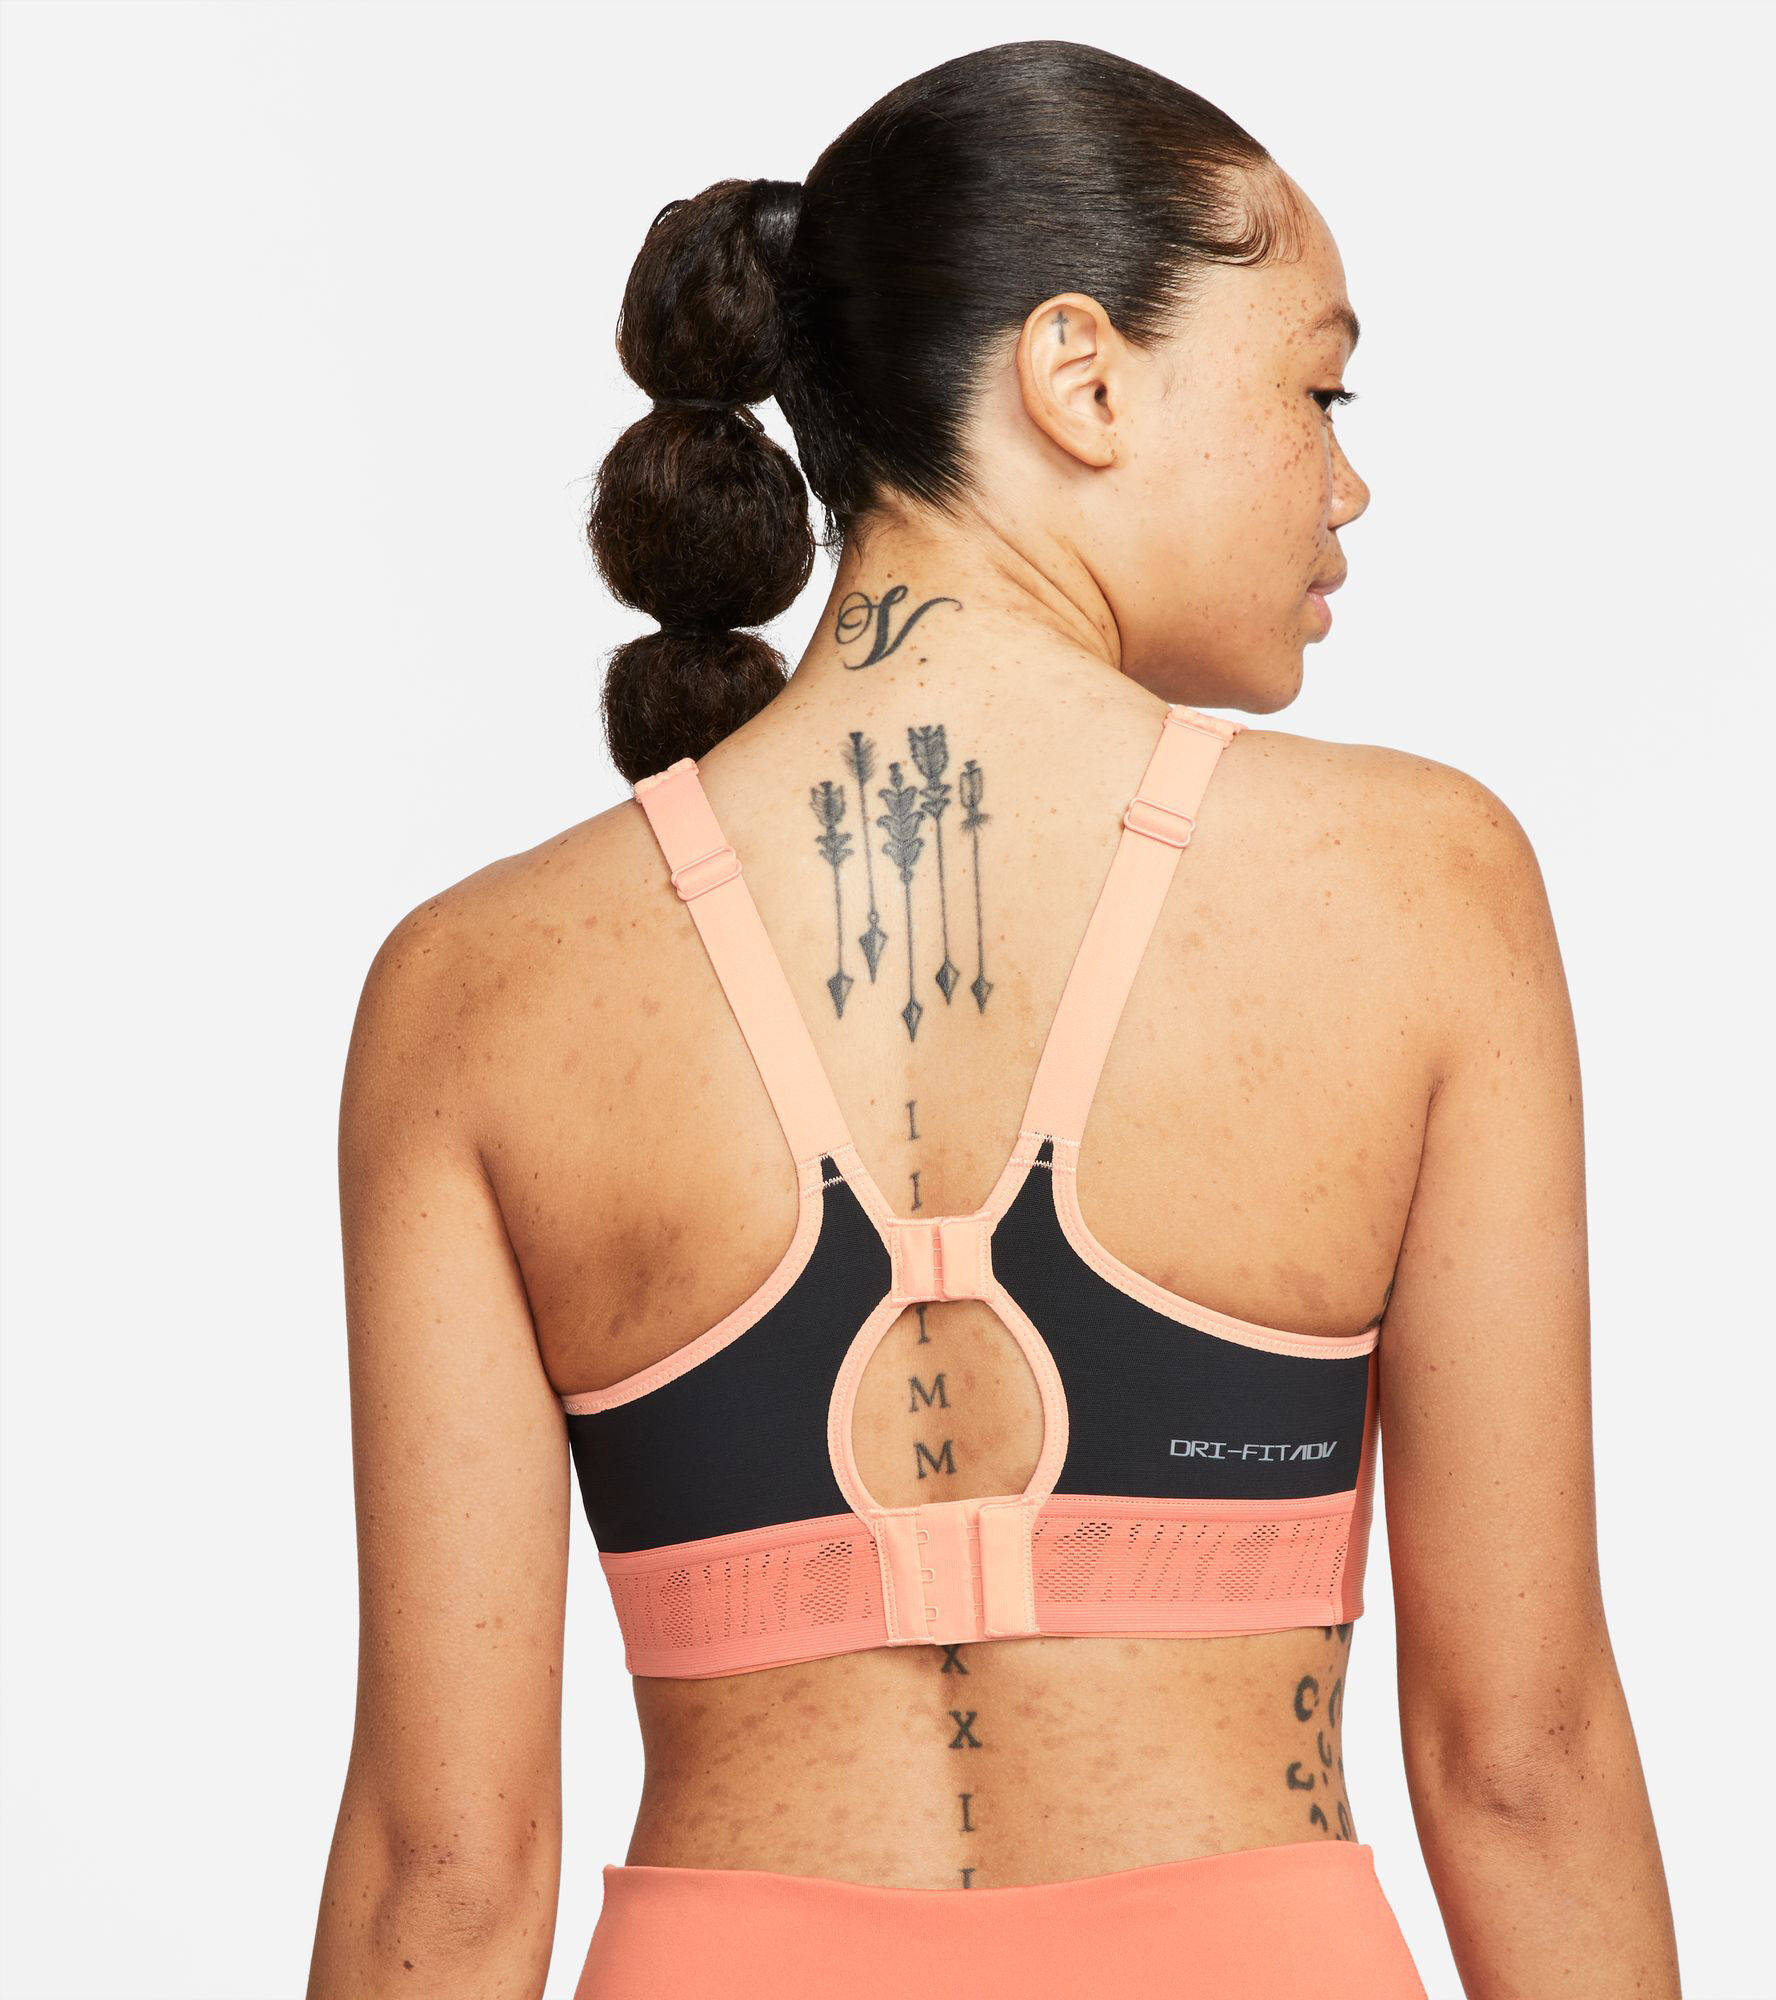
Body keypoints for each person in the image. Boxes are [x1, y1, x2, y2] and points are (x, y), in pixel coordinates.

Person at [305, 38, 1679, 2000]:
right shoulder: (1416, 888)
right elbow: (1518, 1764)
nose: (1347, 478)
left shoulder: (478, 988)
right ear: (1078, 375)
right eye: (1318, 389)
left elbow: (445, 1874)